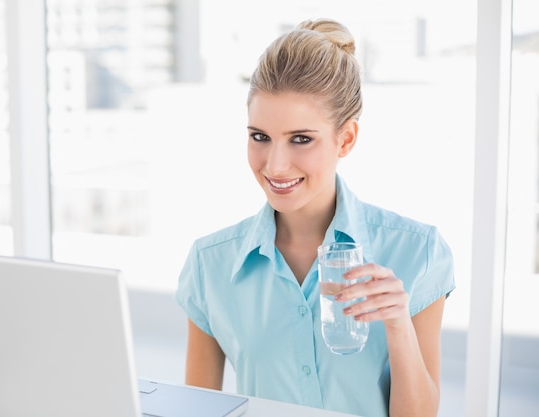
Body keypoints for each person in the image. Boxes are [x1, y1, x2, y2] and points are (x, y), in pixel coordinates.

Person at [175, 18, 455, 417]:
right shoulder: (210, 265)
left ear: (346, 139)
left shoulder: (418, 252)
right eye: (260, 137)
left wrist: (397, 324)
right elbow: (196, 411)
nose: (275, 164)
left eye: (301, 139)